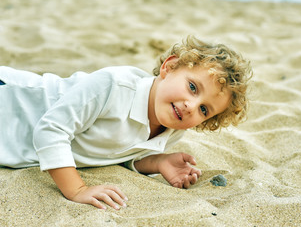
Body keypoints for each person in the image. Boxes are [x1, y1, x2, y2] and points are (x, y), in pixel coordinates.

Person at [0, 35, 252, 210]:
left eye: (204, 109)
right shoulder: (113, 86)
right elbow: (51, 130)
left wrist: (155, 162)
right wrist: (77, 190)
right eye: (193, 87)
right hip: (10, 101)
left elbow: (112, 147)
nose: (191, 106)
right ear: (170, 67)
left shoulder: (172, 129)